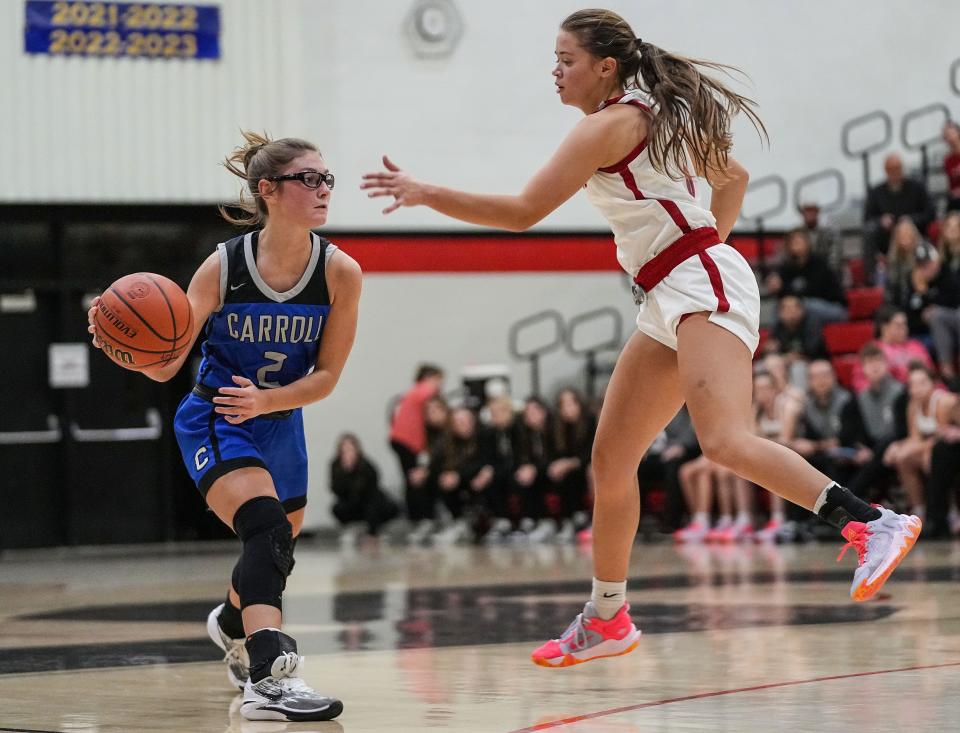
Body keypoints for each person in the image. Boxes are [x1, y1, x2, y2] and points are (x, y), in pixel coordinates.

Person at [361, 9, 921, 667]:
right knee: (611, 457)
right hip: (676, 287)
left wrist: (426, 191)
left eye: (564, 58)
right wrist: (703, 249)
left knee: (723, 439)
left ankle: (873, 521)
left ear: (604, 66)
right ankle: (607, 617)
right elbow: (733, 180)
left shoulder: (609, 125)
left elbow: (521, 213)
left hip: (696, 279)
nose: (554, 70)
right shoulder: (656, 115)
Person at [88, 132, 357, 720]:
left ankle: (232, 622)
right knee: (264, 527)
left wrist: (270, 401)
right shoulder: (224, 266)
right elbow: (166, 367)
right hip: (217, 415)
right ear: (269, 191)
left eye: (326, 178)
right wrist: (120, 343)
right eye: (308, 179)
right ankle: (269, 675)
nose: (323, 189)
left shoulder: (340, 272)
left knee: (276, 549)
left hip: (279, 420)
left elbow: (328, 376)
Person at [883, 363, 958, 523]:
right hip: (933, 445)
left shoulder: (944, 401)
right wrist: (898, 447)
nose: (917, 388)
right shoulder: (913, 405)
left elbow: (942, 437)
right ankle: (919, 510)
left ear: (933, 382)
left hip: (948, 448)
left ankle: (952, 511)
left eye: (922, 383)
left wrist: (912, 450)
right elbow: (915, 438)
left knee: (932, 459)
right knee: (903, 460)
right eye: (913, 384)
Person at [389, 364, 445, 535]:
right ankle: (420, 519)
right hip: (408, 442)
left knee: (412, 479)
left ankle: (417, 519)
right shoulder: (425, 390)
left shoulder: (413, 391)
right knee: (416, 481)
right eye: (439, 380)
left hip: (400, 440)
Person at [863, 153, 934, 283]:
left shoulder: (916, 188)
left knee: (906, 230)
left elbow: (930, 213)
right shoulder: (876, 192)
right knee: (869, 230)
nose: (895, 172)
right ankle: (873, 279)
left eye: (897, 168)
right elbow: (867, 219)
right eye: (891, 169)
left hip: (914, 236)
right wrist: (881, 221)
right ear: (885, 170)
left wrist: (909, 220)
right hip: (887, 239)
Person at [765, 228, 846, 324]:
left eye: (799, 241)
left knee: (804, 306)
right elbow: (783, 293)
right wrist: (777, 287)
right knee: (778, 308)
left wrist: (793, 300)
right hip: (801, 306)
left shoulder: (819, 264)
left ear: (808, 243)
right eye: (793, 242)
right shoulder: (786, 267)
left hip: (833, 307)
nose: (795, 244)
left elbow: (816, 291)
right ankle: (776, 338)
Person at [330, 433, 398, 541]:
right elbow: (335, 488)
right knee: (337, 508)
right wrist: (345, 473)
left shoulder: (366, 465)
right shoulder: (336, 466)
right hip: (351, 503)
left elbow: (371, 487)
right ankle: (352, 528)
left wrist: (354, 472)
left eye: (351, 449)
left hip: (369, 502)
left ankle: (372, 533)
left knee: (373, 504)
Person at [851, 306, 934, 392]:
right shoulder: (872, 349)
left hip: (919, 393)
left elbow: (931, 375)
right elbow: (859, 382)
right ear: (884, 327)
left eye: (905, 324)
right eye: (898, 325)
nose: (904, 329)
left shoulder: (916, 346)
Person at [943, 121, 960, 213]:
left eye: (950, 133)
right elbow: (952, 185)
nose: (947, 137)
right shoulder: (948, 160)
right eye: (945, 135)